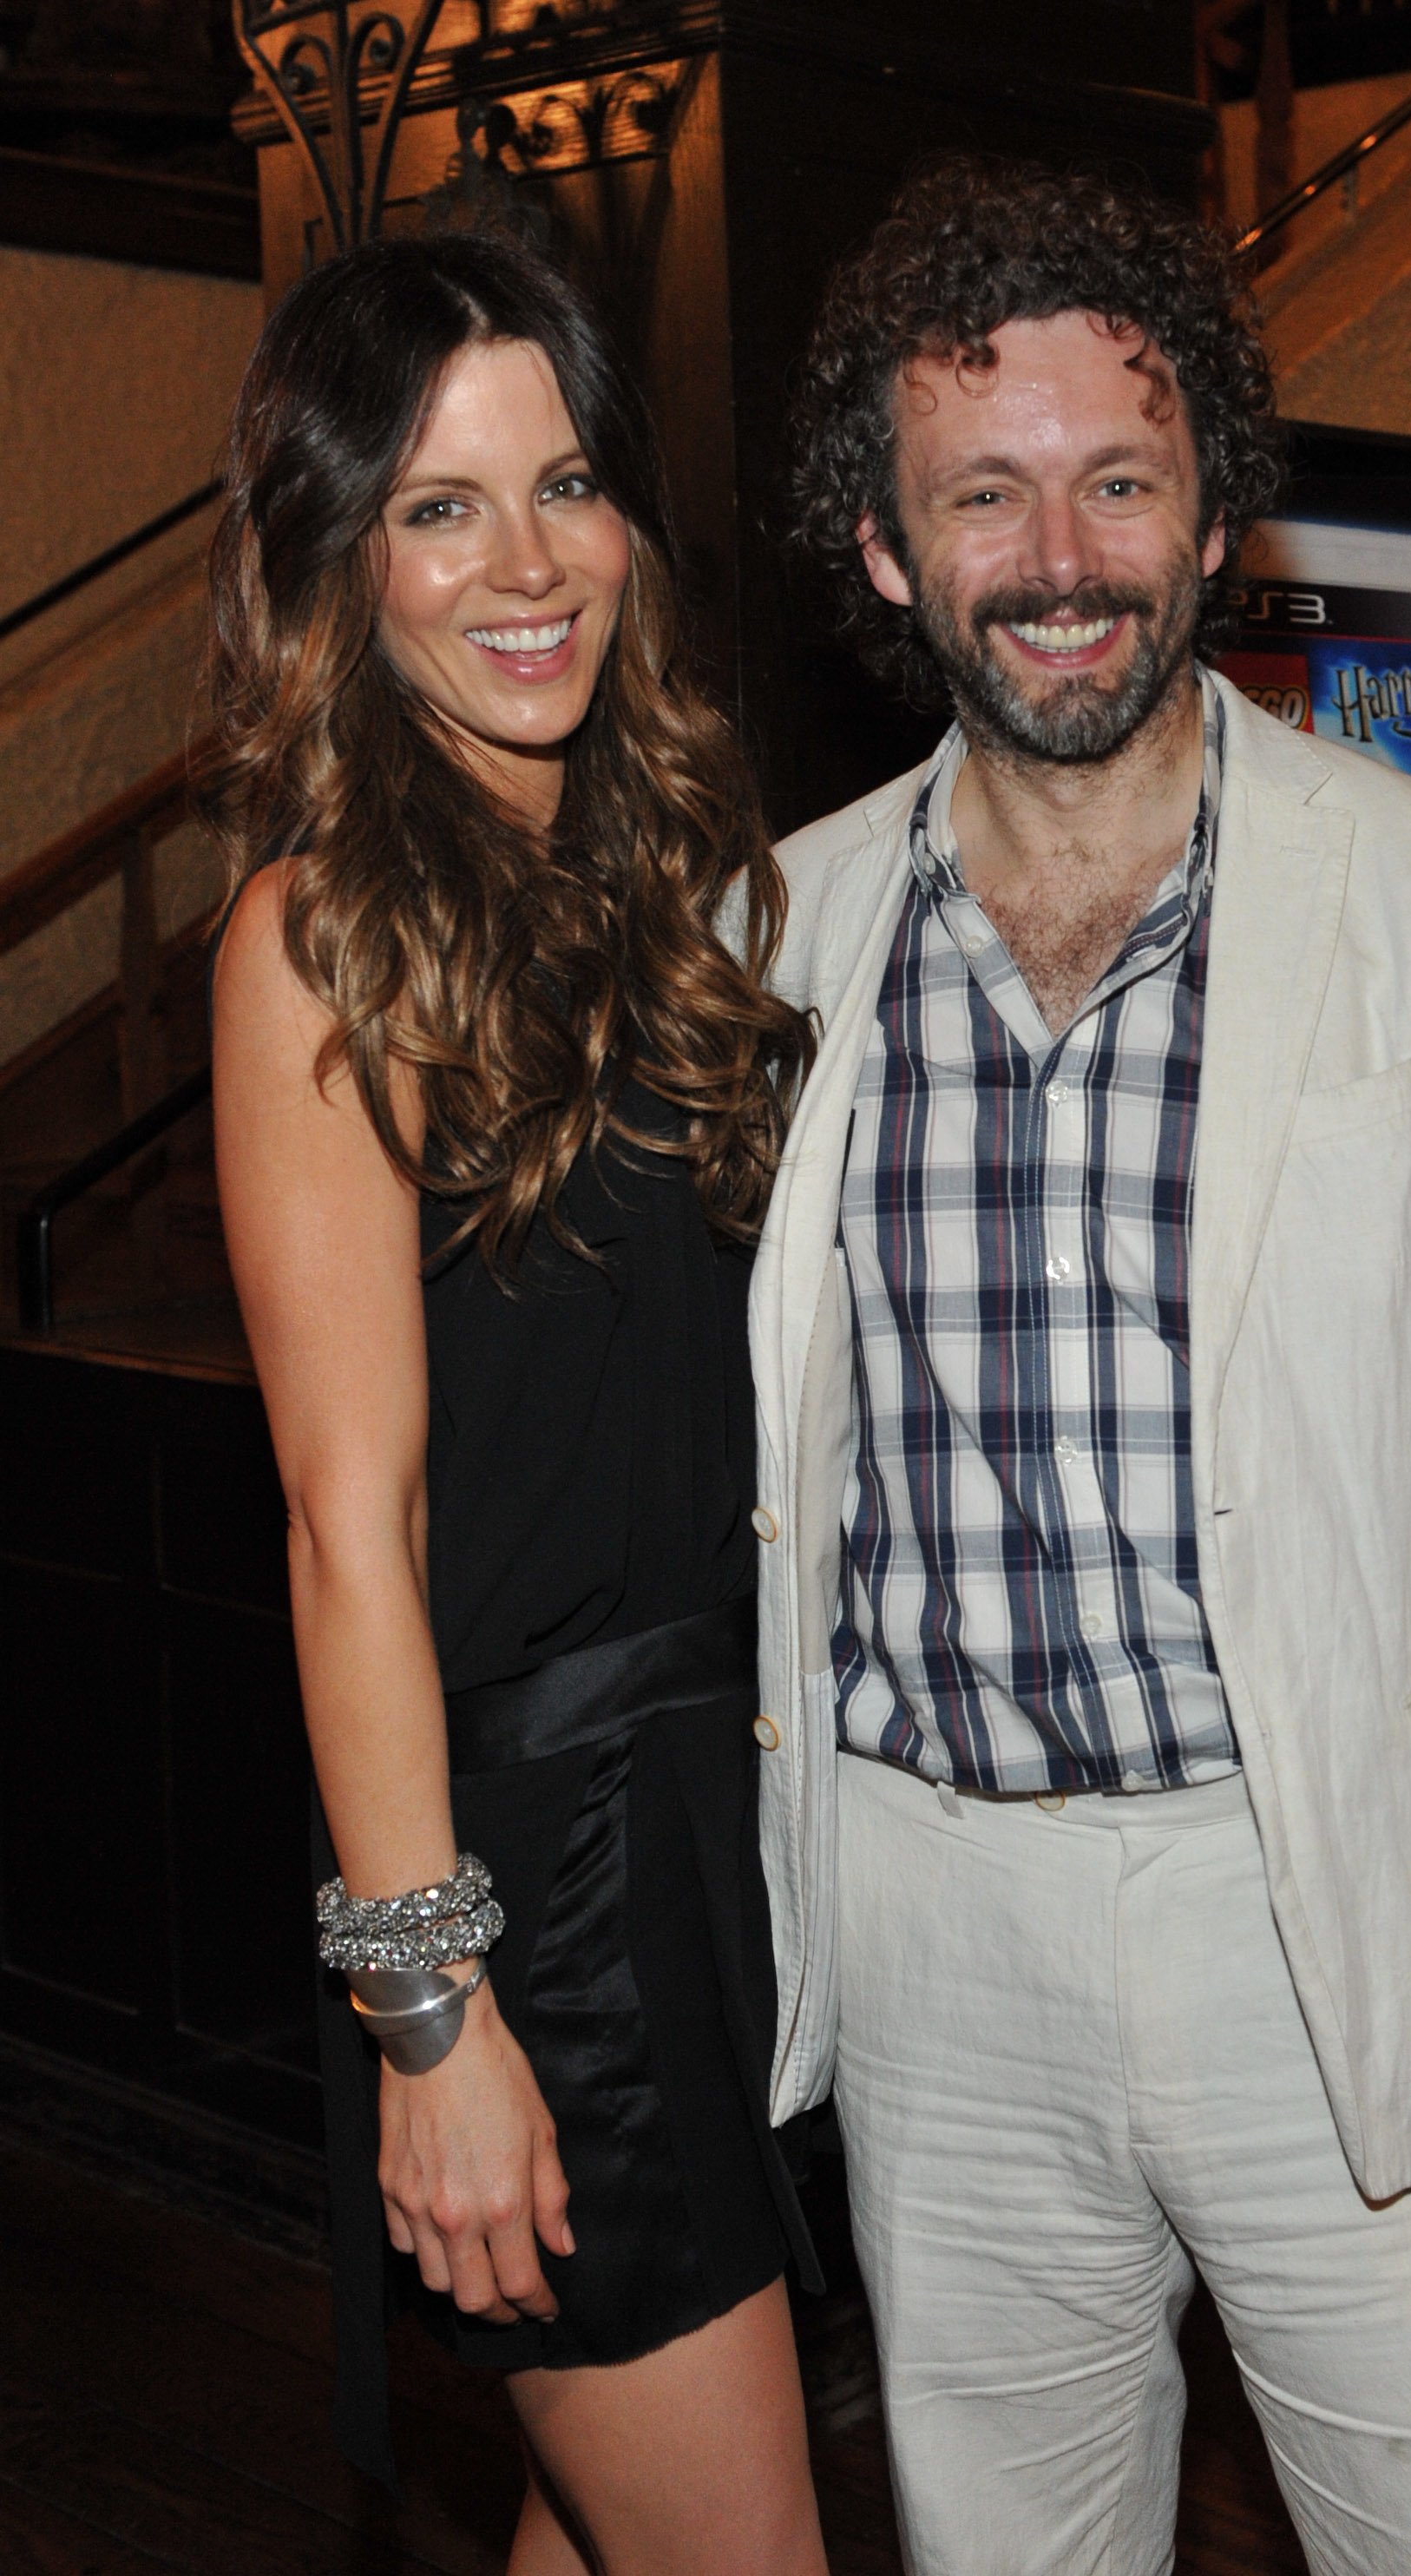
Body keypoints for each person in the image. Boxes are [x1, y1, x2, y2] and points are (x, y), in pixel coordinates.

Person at [752, 157, 1411, 2574]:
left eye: (1119, 480)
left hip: (1336, 1919)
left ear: (1211, 521)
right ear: (885, 544)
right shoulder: (772, 932)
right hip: (928, 1935)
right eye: (986, 491)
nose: (1058, 554)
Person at [207, 232, 824, 2576]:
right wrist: (432, 2019)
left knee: (616, 2527)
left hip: (705, 1818)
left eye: (562, 483)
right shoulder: (320, 931)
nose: (527, 562)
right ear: (338, 558)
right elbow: (344, 1523)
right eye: (442, 508)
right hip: (533, 1870)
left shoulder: (652, 887)